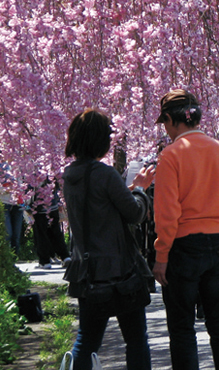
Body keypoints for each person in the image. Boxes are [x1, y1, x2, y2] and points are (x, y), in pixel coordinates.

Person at [152, 89, 219, 370]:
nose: (165, 130)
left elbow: (167, 214)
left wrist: (161, 256)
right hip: (217, 245)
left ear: (170, 119)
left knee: (182, 331)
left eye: (165, 123)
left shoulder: (170, 155)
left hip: (182, 249)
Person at [61, 108, 155, 370]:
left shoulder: (70, 176)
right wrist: (139, 190)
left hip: (87, 270)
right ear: (100, 140)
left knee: (87, 340)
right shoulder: (105, 173)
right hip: (120, 270)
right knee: (136, 340)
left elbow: (98, 206)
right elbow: (135, 213)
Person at [29, 179, 71, 269]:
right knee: (56, 232)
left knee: (41, 234)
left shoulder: (33, 169)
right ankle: (65, 256)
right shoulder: (50, 169)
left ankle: (45, 261)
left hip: (39, 208)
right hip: (53, 205)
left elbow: (30, 188)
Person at [1, 160, 24, 256]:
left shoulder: (18, 162)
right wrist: (5, 190)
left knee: (16, 235)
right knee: (8, 233)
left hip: (18, 203)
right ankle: (7, 260)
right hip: (4, 202)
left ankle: (14, 261)